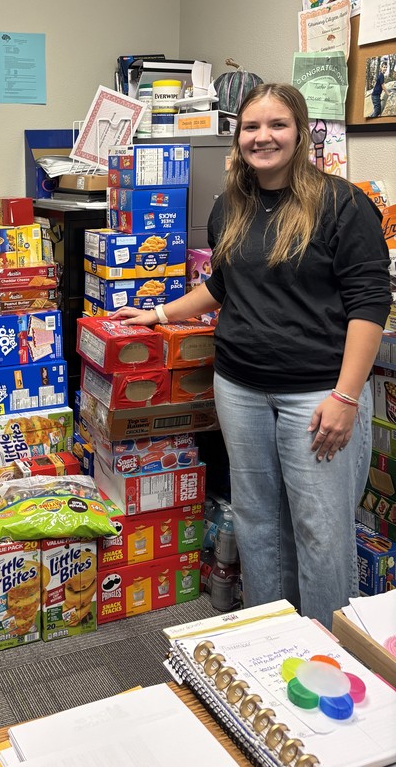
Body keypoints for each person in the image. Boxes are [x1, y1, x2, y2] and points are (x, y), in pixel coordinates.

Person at [113, 83, 390, 629]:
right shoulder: (231, 207)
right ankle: (269, 636)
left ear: (301, 132)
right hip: (239, 385)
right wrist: (163, 315)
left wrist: (346, 395)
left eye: (277, 125)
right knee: (258, 521)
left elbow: (370, 303)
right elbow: (223, 284)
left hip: (315, 393)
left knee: (319, 529)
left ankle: (326, 648)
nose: (263, 137)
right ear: (238, 138)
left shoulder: (342, 203)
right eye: (251, 127)